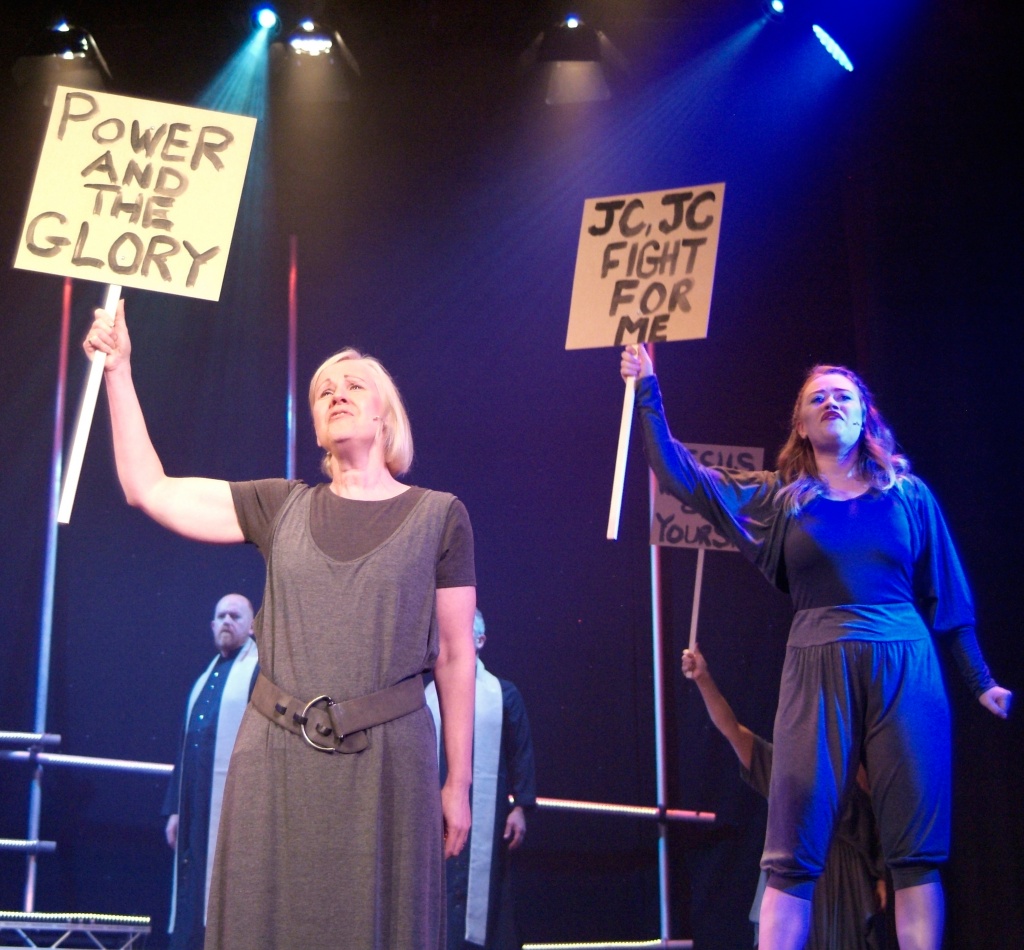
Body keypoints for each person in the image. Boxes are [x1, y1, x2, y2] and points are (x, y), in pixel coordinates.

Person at [84, 300, 477, 950]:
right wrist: (119, 372)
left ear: (385, 414)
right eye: (324, 390)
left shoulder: (440, 517)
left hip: (388, 766)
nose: (337, 394)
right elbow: (149, 488)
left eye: (354, 386)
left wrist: (458, 782)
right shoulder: (280, 506)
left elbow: (456, 656)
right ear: (316, 428)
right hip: (276, 759)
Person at [620, 345, 1012, 950]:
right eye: (817, 398)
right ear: (801, 425)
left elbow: (948, 594)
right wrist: (648, 388)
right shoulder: (783, 498)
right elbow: (682, 477)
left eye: (843, 395)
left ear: (864, 416)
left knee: (915, 853)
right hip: (817, 663)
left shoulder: (908, 495)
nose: (831, 402)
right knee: (792, 849)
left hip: (904, 663)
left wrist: (980, 679)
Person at [682, 642, 889, 949]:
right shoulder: (785, 767)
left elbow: (876, 826)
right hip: (797, 872)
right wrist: (703, 679)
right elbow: (731, 729)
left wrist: (881, 875)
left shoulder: (855, 765)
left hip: (847, 882)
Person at [426, 609, 537, 950]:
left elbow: (520, 754)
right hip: (435, 813)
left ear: (480, 641)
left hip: (487, 817)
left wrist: (521, 808)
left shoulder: (502, 694)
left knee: (489, 904)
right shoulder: (427, 695)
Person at [163, 594, 260, 950]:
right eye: (220, 616)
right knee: (191, 882)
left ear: (252, 626)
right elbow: (186, 744)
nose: (226, 621)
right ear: (211, 626)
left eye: (235, 616)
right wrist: (175, 808)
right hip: (195, 800)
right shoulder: (206, 676)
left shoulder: (258, 673)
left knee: (221, 883)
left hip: (232, 802)